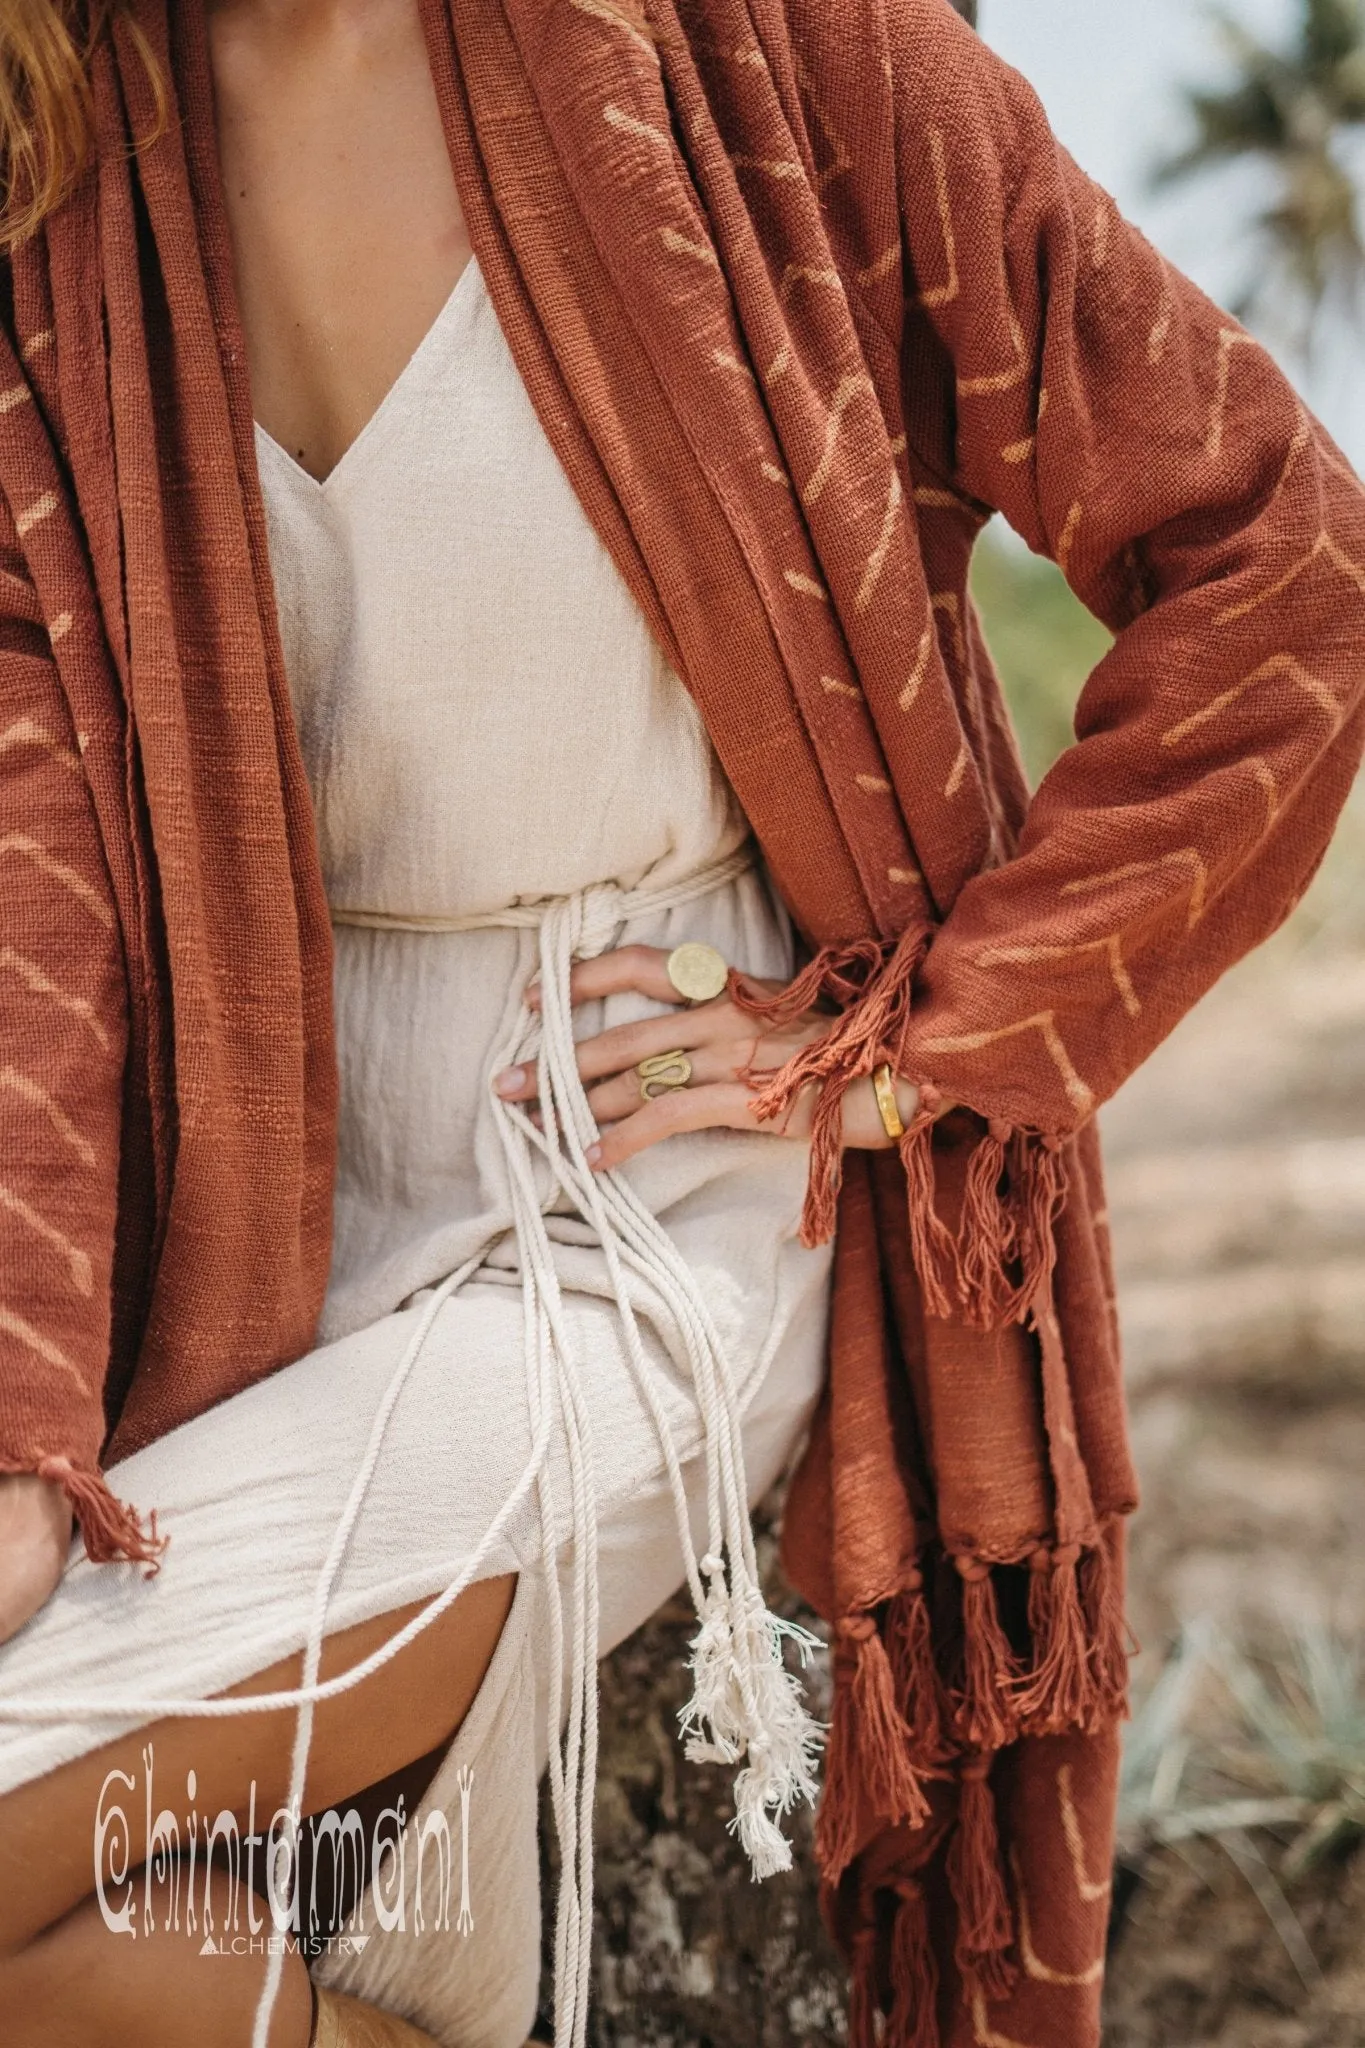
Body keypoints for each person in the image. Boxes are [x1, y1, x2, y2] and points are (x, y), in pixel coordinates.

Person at [0, 0, 1360, 2044]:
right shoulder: (58, 154)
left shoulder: (784, 56)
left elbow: (1291, 574)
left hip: (646, 1198)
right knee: (95, 1963)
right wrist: (23, 1425)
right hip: (263, 1223)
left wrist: (918, 1040)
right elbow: (36, 884)